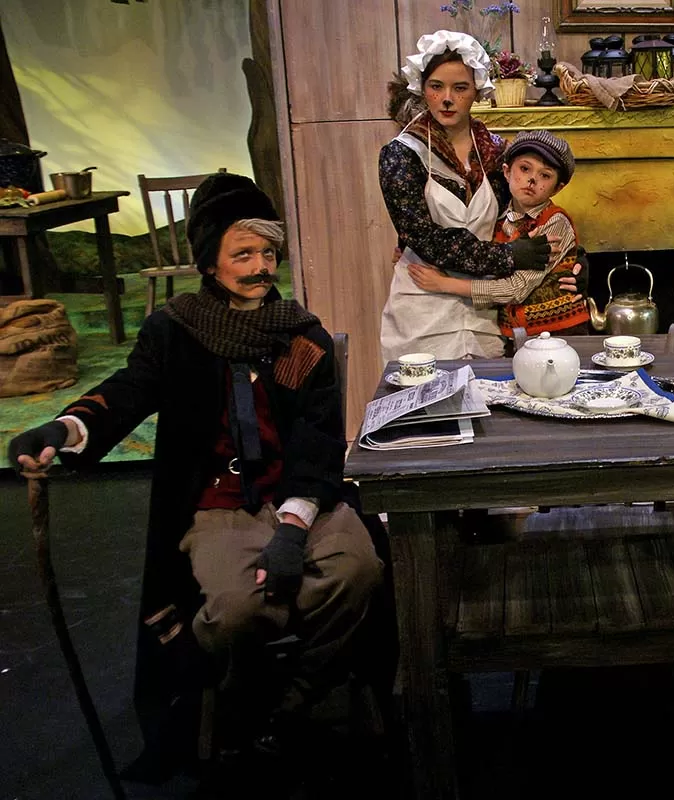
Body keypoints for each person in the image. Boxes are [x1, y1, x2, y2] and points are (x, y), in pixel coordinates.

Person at [7, 173, 386, 777]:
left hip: (300, 493)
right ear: (210, 261)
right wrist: (65, 428)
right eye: (243, 254)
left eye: (268, 252)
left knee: (357, 570)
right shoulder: (176, 332)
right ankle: (246, 699)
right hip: (220, 502)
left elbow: (318, 439)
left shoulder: (298, 336)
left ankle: (295, 701)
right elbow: (128, 391)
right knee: (237, 610)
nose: (260, 267)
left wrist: (293, 527)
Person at [378, 30, 558, 362]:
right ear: (422, 89)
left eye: (460, 88)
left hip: (484, 313)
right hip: (422, 312)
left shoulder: (497, 152)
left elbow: (531, 211)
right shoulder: (402, 154)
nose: (447, 99)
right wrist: (507, 256)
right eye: (436, 87)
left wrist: (566, 264)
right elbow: (425, 238)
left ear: (477, 90)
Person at [407, 129, 590, 344]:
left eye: (545, 175)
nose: (532, 179)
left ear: (557, 188)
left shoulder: (554, 222)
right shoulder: (498, 219)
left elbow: (516, 288)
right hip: (517, 335)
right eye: (524, 169)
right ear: (506, 172)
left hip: (560, 334)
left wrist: (444, 284)